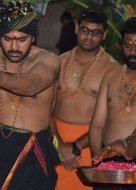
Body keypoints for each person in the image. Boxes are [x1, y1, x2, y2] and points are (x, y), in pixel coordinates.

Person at [0, 1, 61, 189]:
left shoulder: (48, 60)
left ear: (33, 37)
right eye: (7, 38)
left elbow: (32, 85)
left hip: (33, 150)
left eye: (22, 40)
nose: (14, 47)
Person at [52, 7, 120, 190]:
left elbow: (112, 119)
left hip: (90, 147)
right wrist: (59, 146)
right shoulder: (58, 61)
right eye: (84, 30)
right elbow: (46, 107)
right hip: (55, 145)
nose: (89, 37)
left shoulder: (113, 70)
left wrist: (75, 147)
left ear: (104, 34)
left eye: (96, 32)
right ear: (76, 28)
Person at [89, 16, 136, 189]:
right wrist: (99, 161)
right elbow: (97, 124)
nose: (132, 51)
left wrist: (126, 147)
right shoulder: (111, 75)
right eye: (127, 45)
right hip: (108, 161)